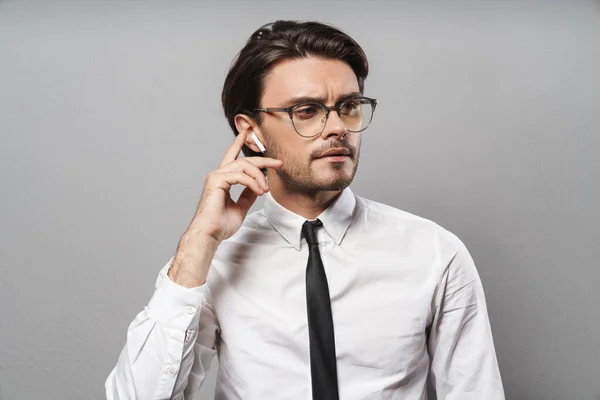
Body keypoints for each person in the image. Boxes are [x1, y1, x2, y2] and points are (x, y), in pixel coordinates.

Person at [105, 20, 505, 400]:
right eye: (307, 111)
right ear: (251, 132)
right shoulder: (213, 261)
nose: (338, 128)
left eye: (349, 105)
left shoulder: (434, 253)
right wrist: (199, 242)